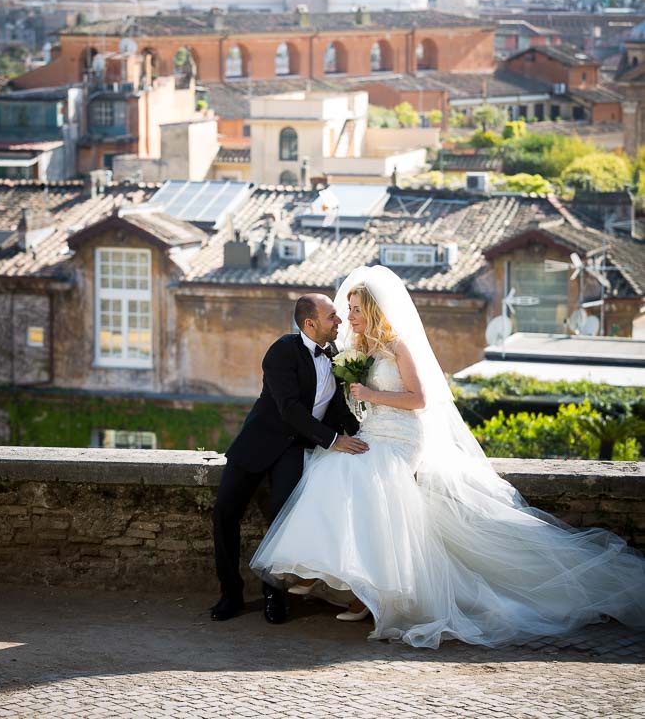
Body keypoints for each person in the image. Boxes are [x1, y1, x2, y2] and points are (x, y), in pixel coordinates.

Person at [251, 266, 645, 648]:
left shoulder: (399, 345)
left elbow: (419, 399)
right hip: (374, 432)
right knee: (330, 467)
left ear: (371, 311)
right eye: (346, 309)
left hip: (404, 435)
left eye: (354, 309)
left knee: (364, 478)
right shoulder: (357, 349)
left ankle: (365, 594)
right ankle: (327, 576)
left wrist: (371, 396)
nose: (347, 315)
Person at [211, 292, 364, 624]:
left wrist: (363, 434)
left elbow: (335, 405)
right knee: (225, 514)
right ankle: (230, 593)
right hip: (257, 443)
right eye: (332, 317)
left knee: (284, 521)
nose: (339, 321)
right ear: (310, 323)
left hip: (294, 451)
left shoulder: (334, 354)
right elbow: (289, 408)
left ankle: (274, 596)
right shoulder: (281, 351)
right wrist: (334, 441)